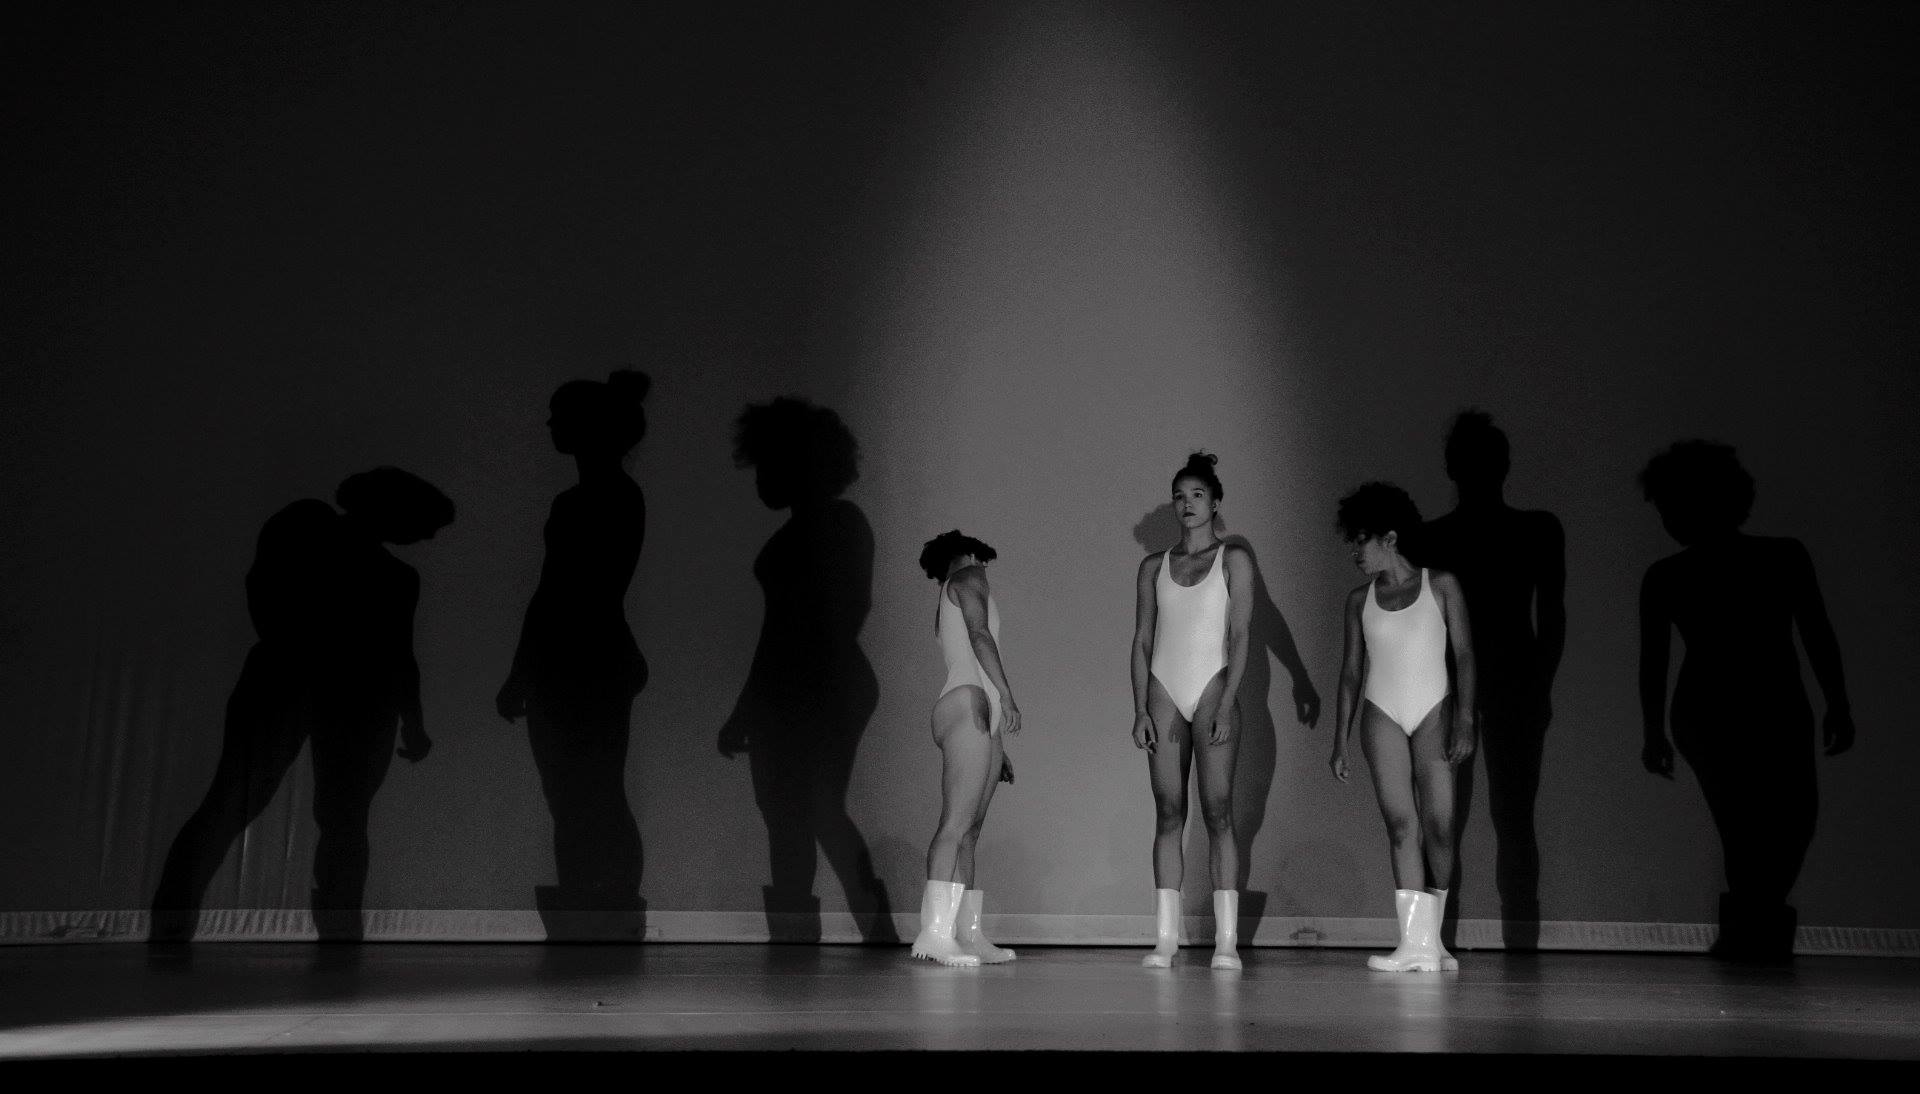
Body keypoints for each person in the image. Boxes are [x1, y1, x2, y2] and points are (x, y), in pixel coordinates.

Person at [152, 468, 452, 942]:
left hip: (310, 686)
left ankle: (173, 926)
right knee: (328, 818)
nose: (428, 536)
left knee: (256, 808)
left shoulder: (351, 551)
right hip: (335, 693)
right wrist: (411, 721)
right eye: (424, 523)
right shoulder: (383, 569)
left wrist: (411, 719)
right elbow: (398, 656)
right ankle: (337, 934)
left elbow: (397, 654)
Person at [1637, 440, 1853, 962]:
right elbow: (1653, 660)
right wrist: (1653, 731)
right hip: (1719, 710)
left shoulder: (1780, 557)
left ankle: (1747, 934)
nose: (1668, 520)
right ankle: (1755, 936)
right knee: (1750, 826)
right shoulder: (1671, 576)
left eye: (1672, 506)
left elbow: (1817, 632)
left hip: (1764, 705)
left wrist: (1838, 701)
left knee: (1786, 821)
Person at [719, 397, 895, 943]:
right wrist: (751, 704)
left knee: (811, 809)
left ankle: (858, 933)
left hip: (820, 684)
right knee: (794, 812)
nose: (760, 480)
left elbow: (816, 621)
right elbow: (779, 630)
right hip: (802, 685)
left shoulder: (838, 524)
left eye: (768, 465)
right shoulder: (827, 526)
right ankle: (817, 935)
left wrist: (755, 703)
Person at [497, 371, 650, 923]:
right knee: (589, 788)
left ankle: (594, 900)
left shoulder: (590, 500)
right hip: (592, 656)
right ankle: (601, 900)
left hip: (577, 660)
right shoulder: (615, 496)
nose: (549, 425)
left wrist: (521, 670)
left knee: (578, 789)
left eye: (559, 417)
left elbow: (558, 590)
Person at [1421, 410, 1564, 948]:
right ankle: (1494, 941)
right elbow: (1552, 617)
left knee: (1481, 817)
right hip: (1491, 682)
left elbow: (1552, 616)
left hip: (1490, 683)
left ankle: (1441, 940)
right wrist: (1540, 683)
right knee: (1492, 817)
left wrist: (1539, 684)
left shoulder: (1442, 536)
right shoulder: (1531, 530)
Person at [1330, 481, 1476, 972]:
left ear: (1389, 538)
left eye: (1361, 541)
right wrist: (1340, 739)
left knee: (1440, 826)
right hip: (1382, 714)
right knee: (1400, 825)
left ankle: (1433, 943)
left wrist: (1465, 719)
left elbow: (1464, 655)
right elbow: (1351, 672)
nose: (1354, 552)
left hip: (1435, 712)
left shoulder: (1442, 585)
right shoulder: (1359, 600)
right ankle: (1413, 944)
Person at [1130, 452, 1255, 970]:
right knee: (1167, 812)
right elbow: (1142, 640)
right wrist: (1140, 708)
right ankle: (1165, 939)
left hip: (1212, 688)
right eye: (1179, 497)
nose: (1187, 504)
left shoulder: (1233, 558)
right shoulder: (1153, 567)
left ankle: (1226, 942)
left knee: (1218, 811)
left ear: (1215, 503)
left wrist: (1226, 702)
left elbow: (1241, 634)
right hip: (1163, 690)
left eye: (1197, 495)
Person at [908, 531, 1021, 966]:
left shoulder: (947, 593)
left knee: (969, 832)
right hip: (968, 702)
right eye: (983, 562)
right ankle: (935, 934)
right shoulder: (970, 575)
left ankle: (967, 934)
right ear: (973, 555)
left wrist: (996, 742)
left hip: (976, 711)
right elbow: (980, 636)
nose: (985, 571)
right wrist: (1006, 696)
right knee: (955, 824)